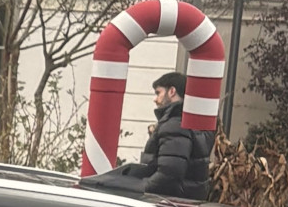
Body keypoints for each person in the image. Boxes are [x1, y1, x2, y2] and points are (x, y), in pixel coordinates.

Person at [83, 70, 212, 200]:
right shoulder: (188, 123)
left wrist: (140, 188)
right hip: (181, 201)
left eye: (158, 93)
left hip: (167, 201)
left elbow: (170, 173)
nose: (155, 99)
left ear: (172, 91)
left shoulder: (174, 125)